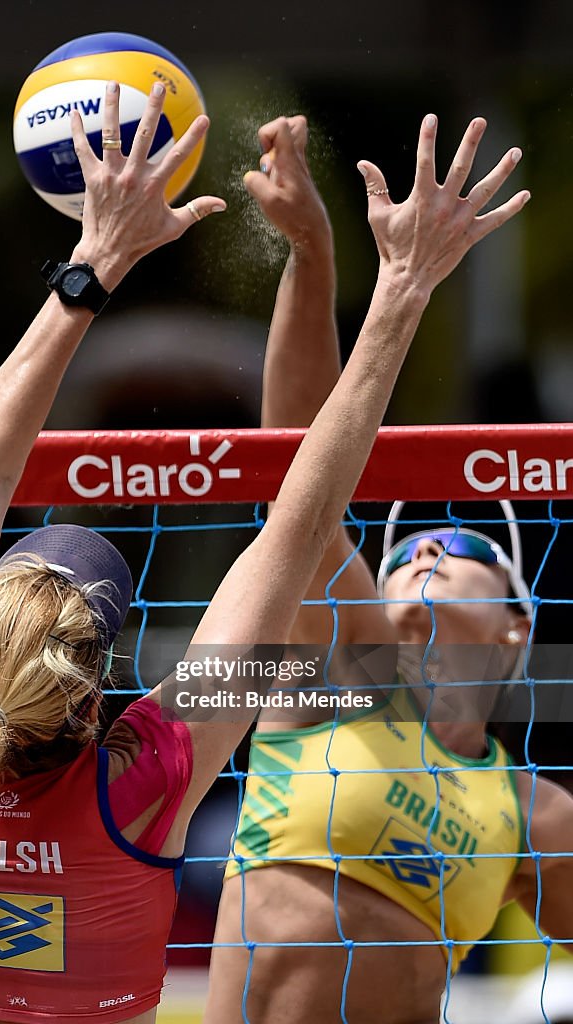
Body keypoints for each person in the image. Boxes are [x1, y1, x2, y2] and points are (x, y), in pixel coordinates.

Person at [0, 83, 529, 1024]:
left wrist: (92, 262)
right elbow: (300, 516)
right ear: (97, 694)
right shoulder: (144, 780)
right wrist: (401, 284)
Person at [205, 115, 573, 1024]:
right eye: (405, 555)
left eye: (467, 554)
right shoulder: (344, 673)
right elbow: (301, 464)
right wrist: (311, 252)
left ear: (513, 627)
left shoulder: (533, 813)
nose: (431, 549)